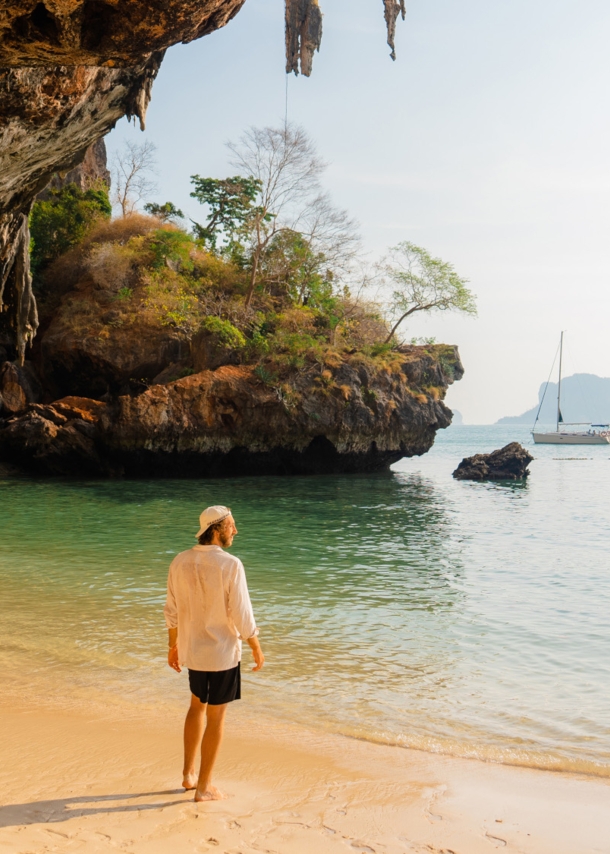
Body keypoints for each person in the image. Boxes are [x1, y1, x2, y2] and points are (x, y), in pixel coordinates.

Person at [164, 505, 264, 801]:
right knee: (217, 718)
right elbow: (242, 612)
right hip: (221, 653)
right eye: (232, 525)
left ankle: (188, 775)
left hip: (193, 651)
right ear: (217, 529)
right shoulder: (230, 564)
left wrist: (173, 645)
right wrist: (255, 644)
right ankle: (204, 787)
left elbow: (171, 610)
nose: (236, 530)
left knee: (196, 707)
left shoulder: (180, 561)